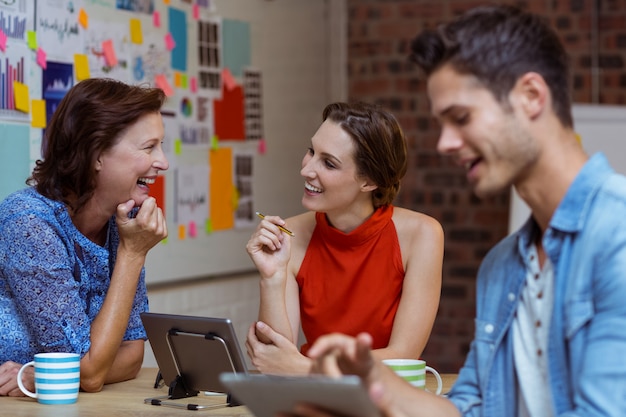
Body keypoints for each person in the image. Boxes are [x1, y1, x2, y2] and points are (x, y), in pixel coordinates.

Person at [288, 5, 626, 417]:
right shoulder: (503, 267)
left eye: (461, 118)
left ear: (531, 97)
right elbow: (469, 409)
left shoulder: (617, 234)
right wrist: (367, 382)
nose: (446, 143)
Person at [245, 101, 444, 375]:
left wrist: (307, 369)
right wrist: (271, 278)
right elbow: (273, 359)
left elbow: (403, 356)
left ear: (369, 181)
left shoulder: (422, 235)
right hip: (311, 400)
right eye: (311, 151)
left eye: (328, 162)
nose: (306, 170)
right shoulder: (290, 235)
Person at [0, 78, 169, 396]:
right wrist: (132, 255)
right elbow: (90, 372)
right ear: (96, 155)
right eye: (149, 147)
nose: (163, 162)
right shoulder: (28, 222)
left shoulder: (125, 222)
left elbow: (132, 356)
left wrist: (49, 376)